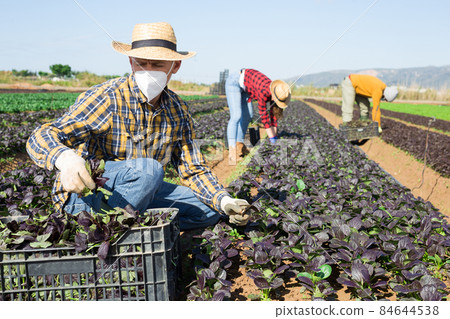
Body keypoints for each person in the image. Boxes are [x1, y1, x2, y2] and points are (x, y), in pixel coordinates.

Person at [26, 22, 250, 230]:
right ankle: (107, 229)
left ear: (175, 66)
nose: (148, 70)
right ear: (131, 62)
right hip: (88, 196)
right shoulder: (108, 98)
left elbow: (193, 169)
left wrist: (224, 200)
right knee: (150, 171)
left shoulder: (177, 110)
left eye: (157, 64)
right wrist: (65, 159)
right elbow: (41, 135)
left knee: (209, 211)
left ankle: (135, 219)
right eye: (141, 63)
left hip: (141, 188)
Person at [225, 68, 291, 163]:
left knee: (248, 116)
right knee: (236, 116)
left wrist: (275, 135)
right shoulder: (264, 92)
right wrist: (272, 139)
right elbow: (264, 116)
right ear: (273, 95)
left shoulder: (276, 91)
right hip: (234, 81)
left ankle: (239, 146)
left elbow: (273, 116)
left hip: (245, 87)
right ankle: (232, 153)